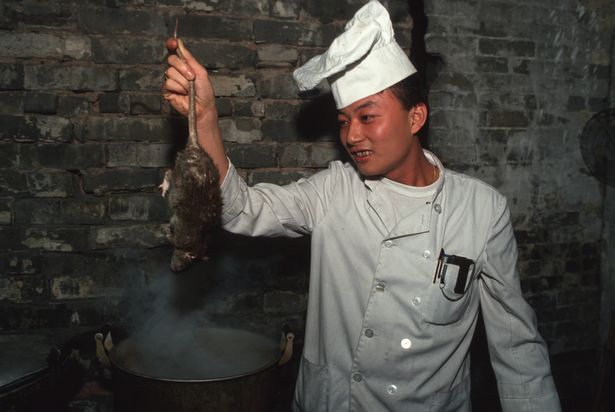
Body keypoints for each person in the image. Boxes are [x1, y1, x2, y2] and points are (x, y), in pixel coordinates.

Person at [162, 1, 562, 410]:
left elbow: (517, 348)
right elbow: (240, 209)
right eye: (343, 121)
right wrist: (205, 118)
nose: (352, 135)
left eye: (367, 117)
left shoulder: (482, 210)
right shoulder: (334, 190)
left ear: (416, 118)